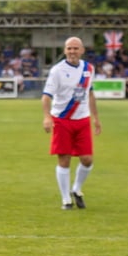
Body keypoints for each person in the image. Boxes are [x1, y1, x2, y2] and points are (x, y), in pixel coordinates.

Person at [42, 36, 101, 210]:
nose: (72, 51)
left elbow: (90, 93)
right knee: (64, 159)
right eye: (69, 48)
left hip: (83, 119)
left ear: (82, 50)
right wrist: (47, 117)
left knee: (87, 159)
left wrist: (96, 118)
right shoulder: (57, 70)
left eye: (76, 48)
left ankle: (76, 189)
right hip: (62, 120)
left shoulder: (89, 68)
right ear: (64, 50)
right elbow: (46, 97)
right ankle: (66, 198)